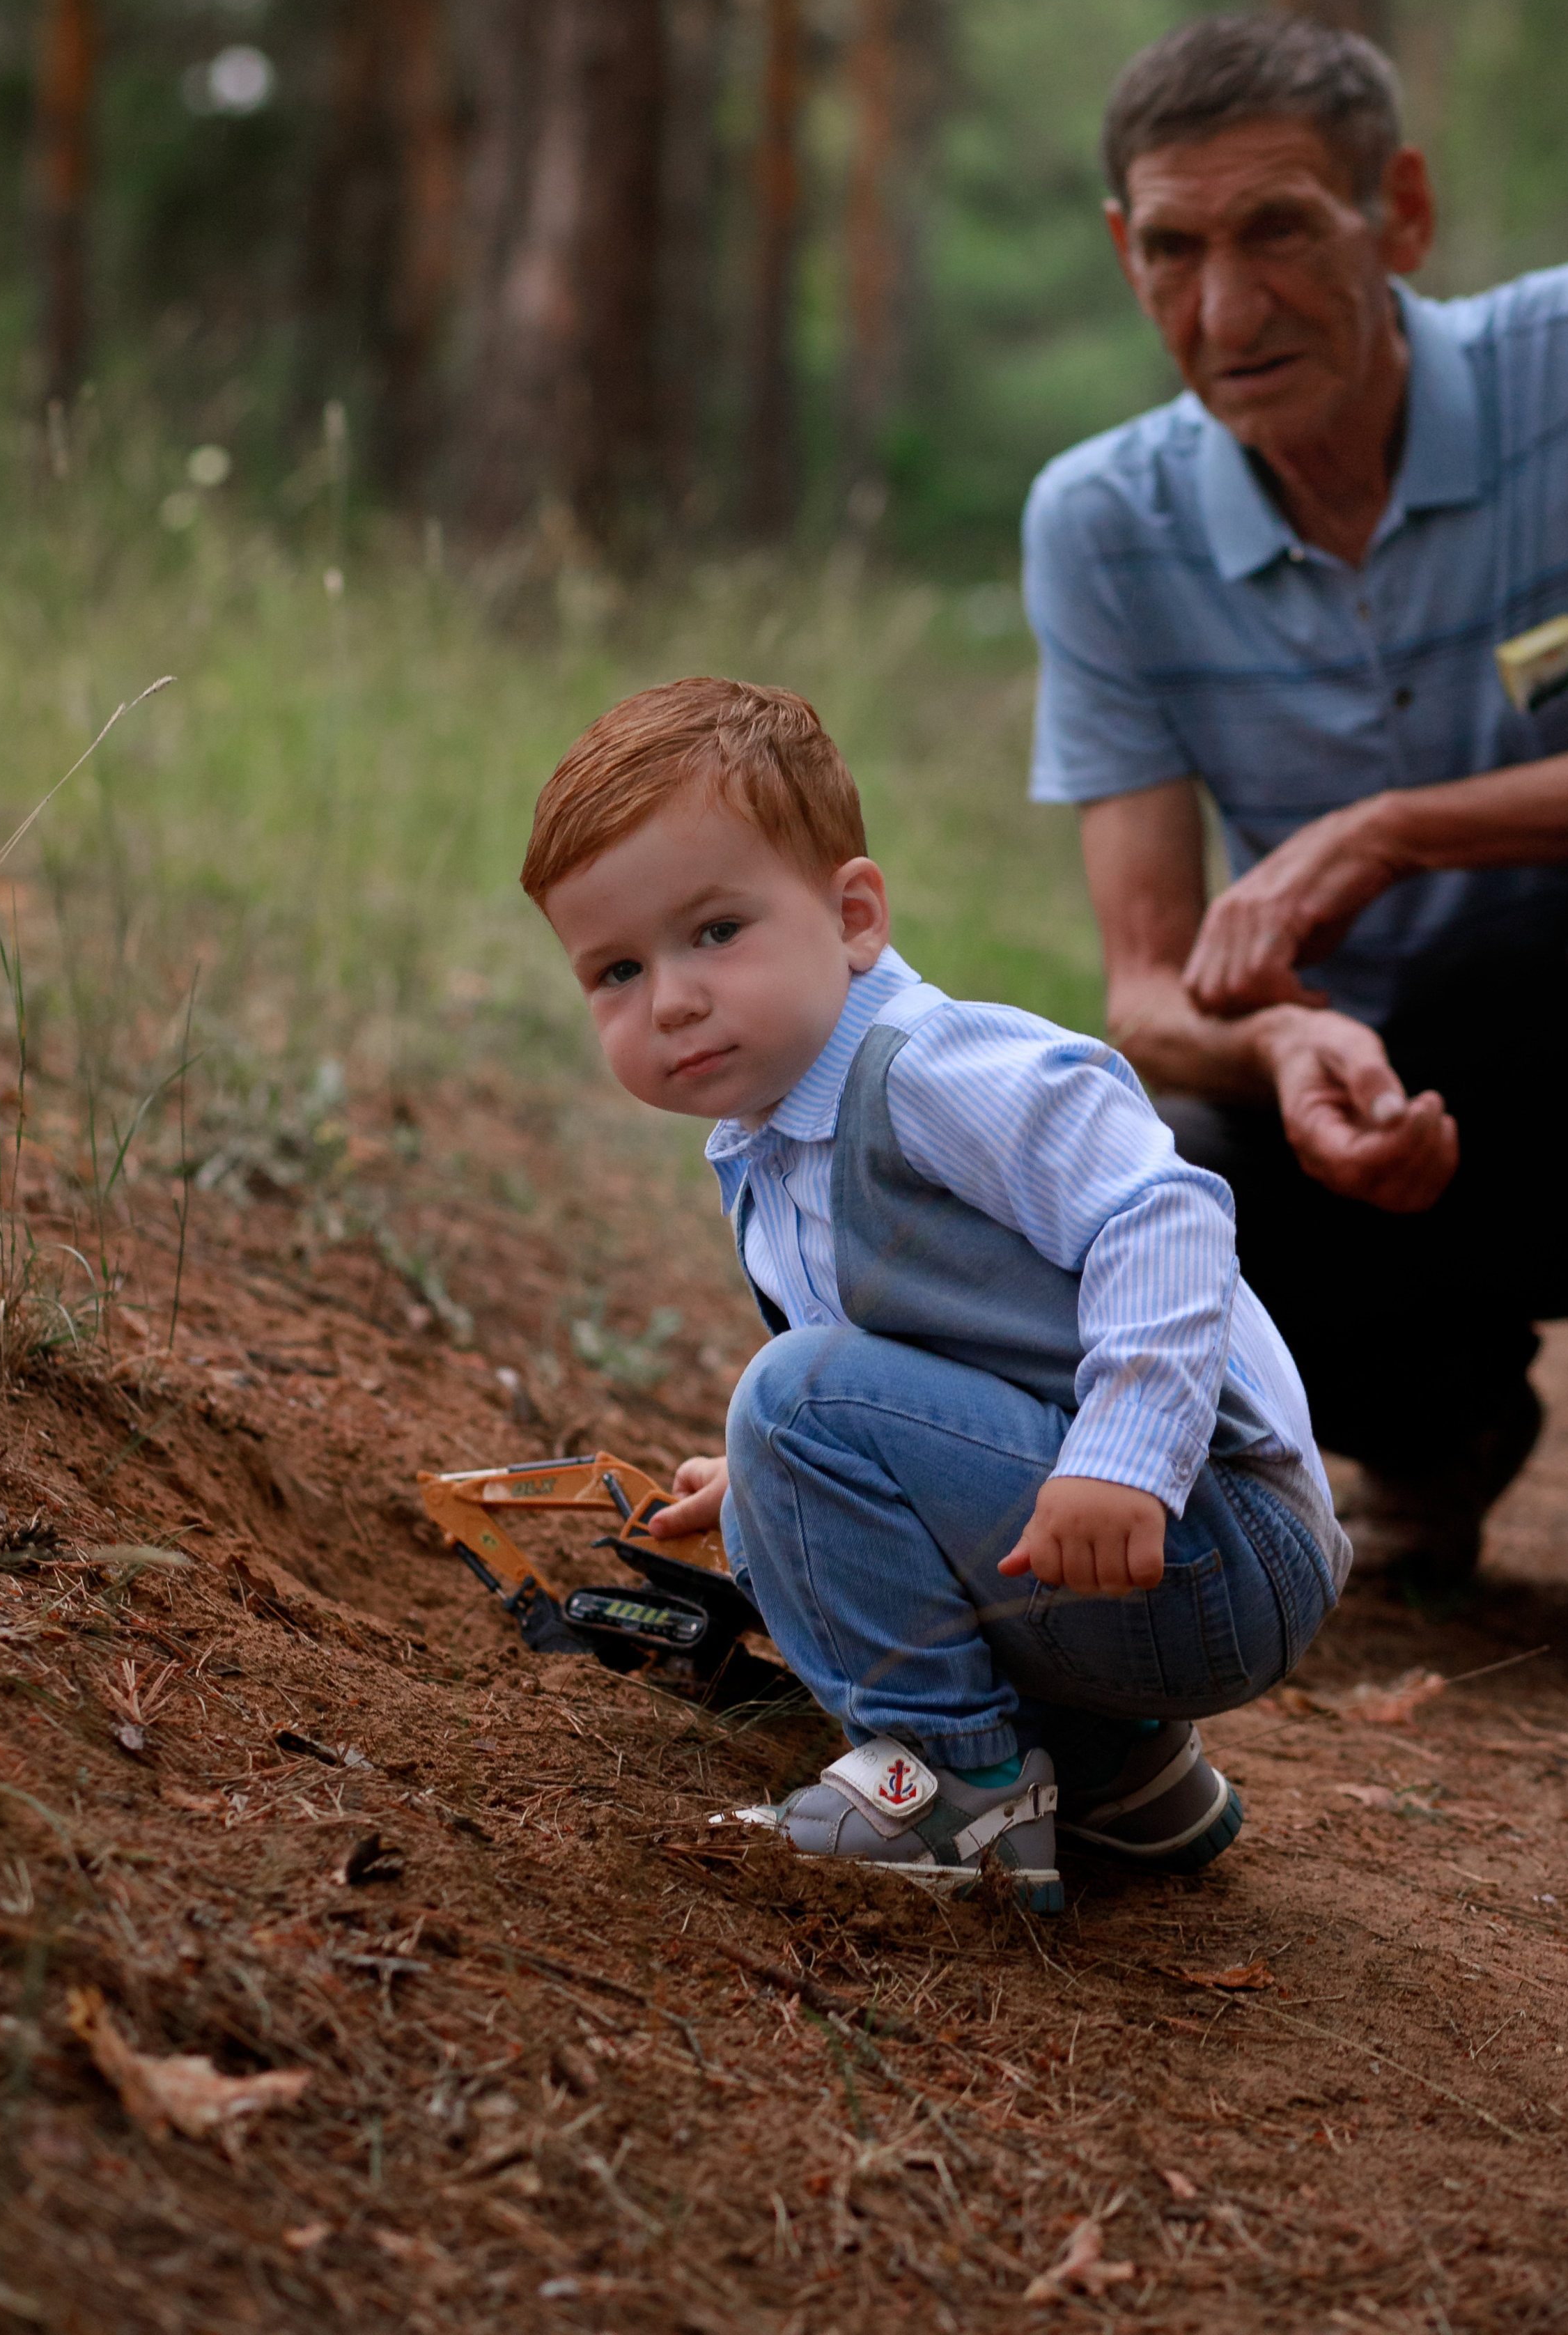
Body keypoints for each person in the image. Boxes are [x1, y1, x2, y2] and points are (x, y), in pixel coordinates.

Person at [1022, 11, 1568, 1684]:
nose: (1226, 311)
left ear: (1395, 216)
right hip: (1381, 1106)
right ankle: (1432, 1431)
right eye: (1176, 250)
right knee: (1153, 1135)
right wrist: (1280, 1039)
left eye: (1279, 231)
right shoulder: (1101, 524)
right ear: (1125, 254)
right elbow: (1145, 985)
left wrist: (1395, 830)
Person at [520, 677, 1347, 1907]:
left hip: (1213, 1528)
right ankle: (1123, 1776)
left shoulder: (931, 1069)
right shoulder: (766, 1138)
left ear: (854, 915)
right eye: (617, 971)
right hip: (1141, 1559)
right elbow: (926, 1366)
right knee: (780, 1474)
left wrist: (1125, 1450)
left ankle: (956, 1791)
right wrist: (775, 1479)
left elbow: (1167, 1210)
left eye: (714, 933)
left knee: (793, 1397)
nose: (673, 1000)